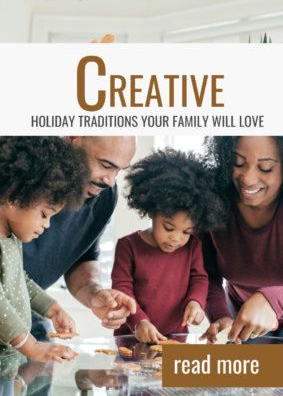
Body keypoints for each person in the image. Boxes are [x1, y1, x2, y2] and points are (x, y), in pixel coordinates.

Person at [23, 136, 137, 339]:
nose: (110, 181)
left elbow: (83, 258)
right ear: (73, 138)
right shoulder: (15, 175)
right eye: (105, 165)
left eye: (118, 171)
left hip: (31, 315)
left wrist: (95, 294)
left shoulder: (104, 194)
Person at [111, 148, 228, 343]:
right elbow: (122, 290)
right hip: (133, 334)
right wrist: (140, 322)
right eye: (168, 227)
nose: (176, 239)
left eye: (186, 231)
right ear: (150, 211)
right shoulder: (128, 246)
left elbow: (199, 278)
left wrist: (195, 302)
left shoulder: (193, 246)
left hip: (175, 336)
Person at [0, 136, 90, 363]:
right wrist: (31, 347)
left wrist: (53, 309)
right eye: (44, 214)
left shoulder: (11, 239)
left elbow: (19, 281)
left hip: (9, 361)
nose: (47, 225)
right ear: (13, 197)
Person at [199, 136, 283, 344]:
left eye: (265, 168)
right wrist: (220, 315)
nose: (248, 179)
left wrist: (273, 299)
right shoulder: (213, 200)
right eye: (238, 163)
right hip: (242, 315)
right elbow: (205, 272)